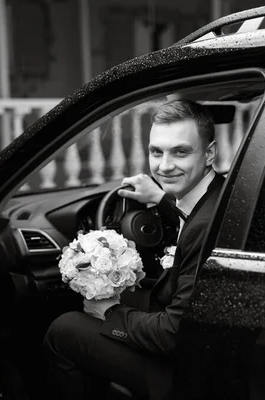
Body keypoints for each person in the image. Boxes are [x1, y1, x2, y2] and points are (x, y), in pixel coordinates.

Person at [43, 99, 225, 400]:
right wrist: (160, 197)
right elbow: (190, 214)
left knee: (64, 329)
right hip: (205, 343)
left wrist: (110, 311)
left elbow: (173, 335)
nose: (164, 166)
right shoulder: (216, 194)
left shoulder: (205, 226)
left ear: (209, 153)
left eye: (180, 152)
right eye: (157, 152)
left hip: (188, 374)